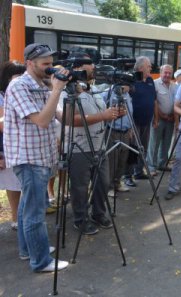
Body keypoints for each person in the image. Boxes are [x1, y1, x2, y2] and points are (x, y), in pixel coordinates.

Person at [4, 43, 69, 272]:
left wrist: (67, 91)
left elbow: (57, 116)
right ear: (30, 63)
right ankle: (41, 261)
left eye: (52, 64)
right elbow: (41, 121)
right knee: (35, 212)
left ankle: (28, 249)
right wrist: (56, 90)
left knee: (25, 208)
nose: (50, 68)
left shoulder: (40, 84)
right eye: (46, 65)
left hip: (40, 156)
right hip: (29, 158)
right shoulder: (19, 86)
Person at [58, 54, 118, 235]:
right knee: (80, 186)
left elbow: (102, 113)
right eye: (90, 65)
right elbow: (69, 120)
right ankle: (80, 219)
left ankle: (98, 213)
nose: (94, 68)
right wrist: (103, 116)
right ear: (77, 69)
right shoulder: (65, 91)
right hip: (78, 147)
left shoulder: (92, 89)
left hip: (99, 146)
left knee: (103, 183)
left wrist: (113, 114)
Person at [0, 61, 25, 230]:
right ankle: (16, 219)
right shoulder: (2, 96)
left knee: (15, 185)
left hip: (13, 148)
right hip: (5, 149)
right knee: (13, 185)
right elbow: (3, 125)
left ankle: (17, 219)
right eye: (18, 76)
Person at [127, 56, 156, 180]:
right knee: (132, 148)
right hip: (134, 121)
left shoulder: (150, 80)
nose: (151, 68)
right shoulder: (132, 80)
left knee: (143, 147)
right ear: (140, 68)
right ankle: (128, 175)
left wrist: (155, 118)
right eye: (148, 66)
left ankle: (139, 171)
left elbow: (153, 100)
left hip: (147, 120)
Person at [103, 84, 133, 194]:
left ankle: (117, 183)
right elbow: (102, 109)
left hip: (125, 131)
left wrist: (130, 129)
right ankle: (109, 187)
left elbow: (130, 112)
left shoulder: (127, 95)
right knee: (112, 160)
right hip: (112, 130)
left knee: (122, 159)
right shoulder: (108, 92)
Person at [147, 64, 177, 175]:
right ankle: (151, 166)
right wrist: (161, 115)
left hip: (171, 119)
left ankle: (162, 164)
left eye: (169, 73)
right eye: (165, 72)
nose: (167, 75)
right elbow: (153, 102)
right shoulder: (154, 84)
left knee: (166, 143)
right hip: (158, 118)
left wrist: (173, 116)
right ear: (161, 72)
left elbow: (176, 102)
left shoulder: (174, 86)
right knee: (154, 143)